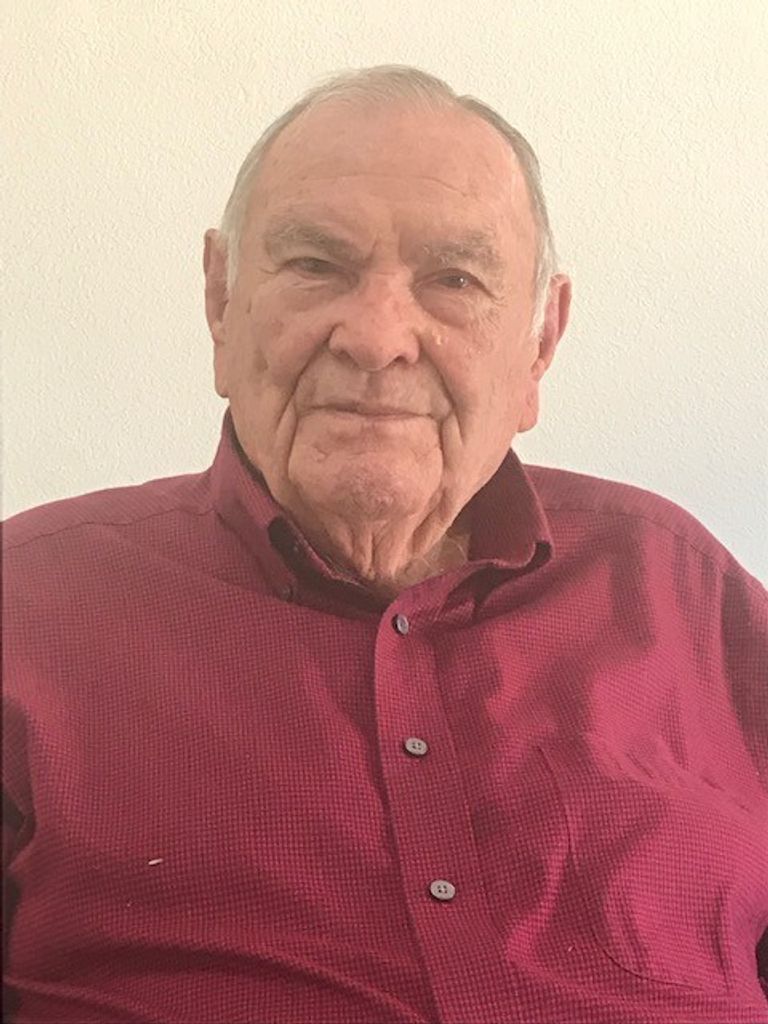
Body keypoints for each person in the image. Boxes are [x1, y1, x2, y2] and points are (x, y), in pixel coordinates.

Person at [2, 63, 766, 1024]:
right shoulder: (27, 607)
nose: (376, 338)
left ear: (540, 342)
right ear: (221, 302)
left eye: (455, 280)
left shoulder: (683, 589)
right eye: (315, 265)